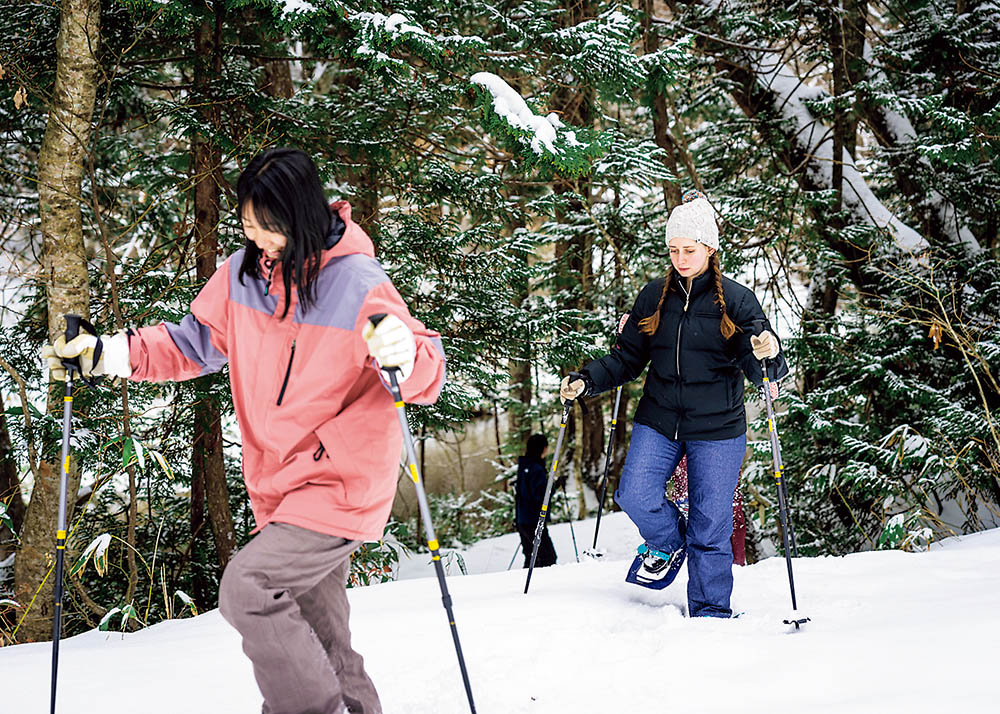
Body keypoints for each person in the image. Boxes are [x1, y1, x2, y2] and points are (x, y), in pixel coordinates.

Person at [43, 147, 446, 714]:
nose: (257, 239)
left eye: (267, 226)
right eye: (248, 225)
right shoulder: (240, 277)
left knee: (247, 588)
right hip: (279, 483)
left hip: (341, 481)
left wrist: (402, 354)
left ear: (299, 215)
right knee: (323, 635)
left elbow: (419, 367)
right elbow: (191, 343)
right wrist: (107, 353)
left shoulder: (357, 282)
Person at [560, 190, 787, 618]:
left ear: (709, 248)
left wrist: (766, 353)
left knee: (711, 523)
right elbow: (627, 359)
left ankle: (710, 612)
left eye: (690, 249)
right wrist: (586, 380)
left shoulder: (735, 300)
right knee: (634, 493)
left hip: (718, 428)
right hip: (660, 418)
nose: (681, 258)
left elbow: (763, 367)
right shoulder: (653, 297)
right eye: (674, 249)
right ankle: (666, 541)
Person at [515, 433, 559, 568]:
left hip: (523, 520)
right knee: (547, 557)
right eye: (546, 447)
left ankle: (526, 586)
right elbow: (540, 495)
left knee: (531, 557)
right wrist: (554, 486)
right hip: (533, 520)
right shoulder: (535, 469)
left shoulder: (524, 466)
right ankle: (540, 587)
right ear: (541, 449)